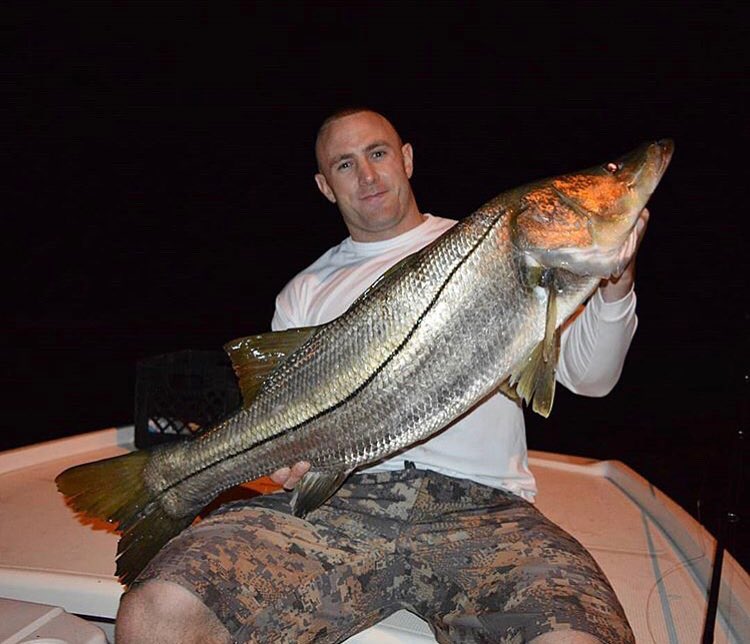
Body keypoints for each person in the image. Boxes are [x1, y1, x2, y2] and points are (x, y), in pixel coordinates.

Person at [117, 109, 646, 643]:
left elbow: (590, 376)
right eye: (345, 165)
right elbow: (277, 425)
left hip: (486, 508)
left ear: (406, 158)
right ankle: (172, 483)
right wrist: (284, 466)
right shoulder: (304, 292)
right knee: (158, 613)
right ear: (326, 187)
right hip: (344, 503)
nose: (367, 176)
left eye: (378, 153)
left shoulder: (486, 248)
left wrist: (616, 282)